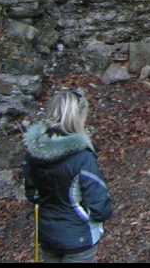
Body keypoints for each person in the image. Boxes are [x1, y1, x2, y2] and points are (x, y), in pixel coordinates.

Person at [22, 89, 112, 263]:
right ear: (78, 117)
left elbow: (32, 195)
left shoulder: (33, 153)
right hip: (79, 237)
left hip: (47, 235)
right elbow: (100, 205)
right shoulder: (82, 158)